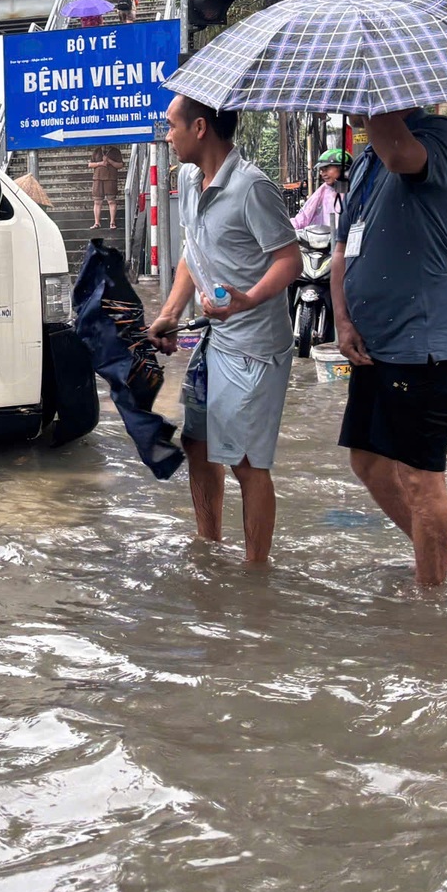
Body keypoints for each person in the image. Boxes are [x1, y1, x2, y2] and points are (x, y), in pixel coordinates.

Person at [146, 96, 301, 566]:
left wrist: (247, 299)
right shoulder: (188, 181)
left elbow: (289, 260)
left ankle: (256, 573)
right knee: (198, 445)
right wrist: (170, 312)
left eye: (171, 125)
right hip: (214, 339)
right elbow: (192, 253)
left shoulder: (252, 187)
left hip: (255, 347)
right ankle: (208, 547)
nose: (167, 135)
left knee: (247, 463)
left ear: (199, 128)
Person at [330, 108, 447, 587]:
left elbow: (400, 156)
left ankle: (432, 601)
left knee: (419, 475)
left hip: (424, 341)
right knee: (367, 460)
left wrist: (375, 104)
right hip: (372, 340)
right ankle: (441, 558)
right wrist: (343, 320)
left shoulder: (438, 135)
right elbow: (342, 248)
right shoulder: (365, 158)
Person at [291, 148, 350, 230]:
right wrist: (289, 228)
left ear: (343, 168)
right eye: (322, 170)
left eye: (327, 169)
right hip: (327, 236)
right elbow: (305, 215)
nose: (323, 174)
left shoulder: (357, 189)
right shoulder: (324, 189)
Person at [87, 146, 125, 229]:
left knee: (111, 201)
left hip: (110, 178)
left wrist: (109, 161)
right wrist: (100, 163)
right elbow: (90, 164)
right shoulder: (97, 151)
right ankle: (97, 222)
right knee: (97, 201)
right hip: (98, 178)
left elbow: (120, 165)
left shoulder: (115, 151)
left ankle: (112, 222)